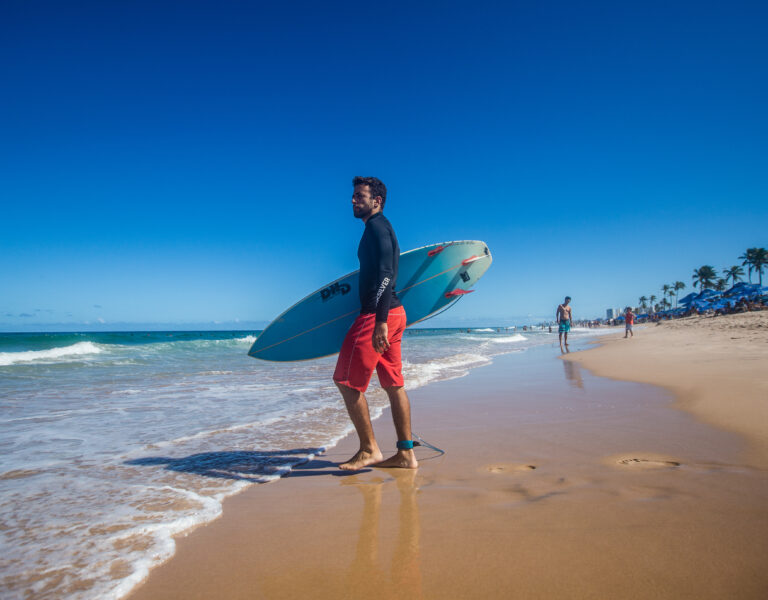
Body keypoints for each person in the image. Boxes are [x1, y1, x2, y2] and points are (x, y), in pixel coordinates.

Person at [333, 176, 417, 471]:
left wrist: (379, 320)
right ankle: (406, 454)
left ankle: (369, 450)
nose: (353, 201)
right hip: (395, 313)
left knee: (345, 381)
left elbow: (385, 275)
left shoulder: (376, 228)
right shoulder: (382, 228)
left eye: (359, 196)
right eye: (354, 196)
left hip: (377, 316)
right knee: (394, 384)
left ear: (376, 201)